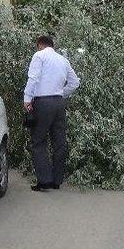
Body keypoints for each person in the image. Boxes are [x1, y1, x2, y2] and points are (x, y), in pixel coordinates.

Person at [23, 36, 80, 192]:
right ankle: (56, 180)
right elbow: (75, 82)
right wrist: (61, 93)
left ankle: (44, 180)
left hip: (42, 103)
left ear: (39, 45)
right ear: (52, 45)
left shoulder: (39, 56)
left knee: (38, 141)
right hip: (59, 103)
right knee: (59, 142)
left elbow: (33, 78)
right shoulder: (63, 60)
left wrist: (27, 99)